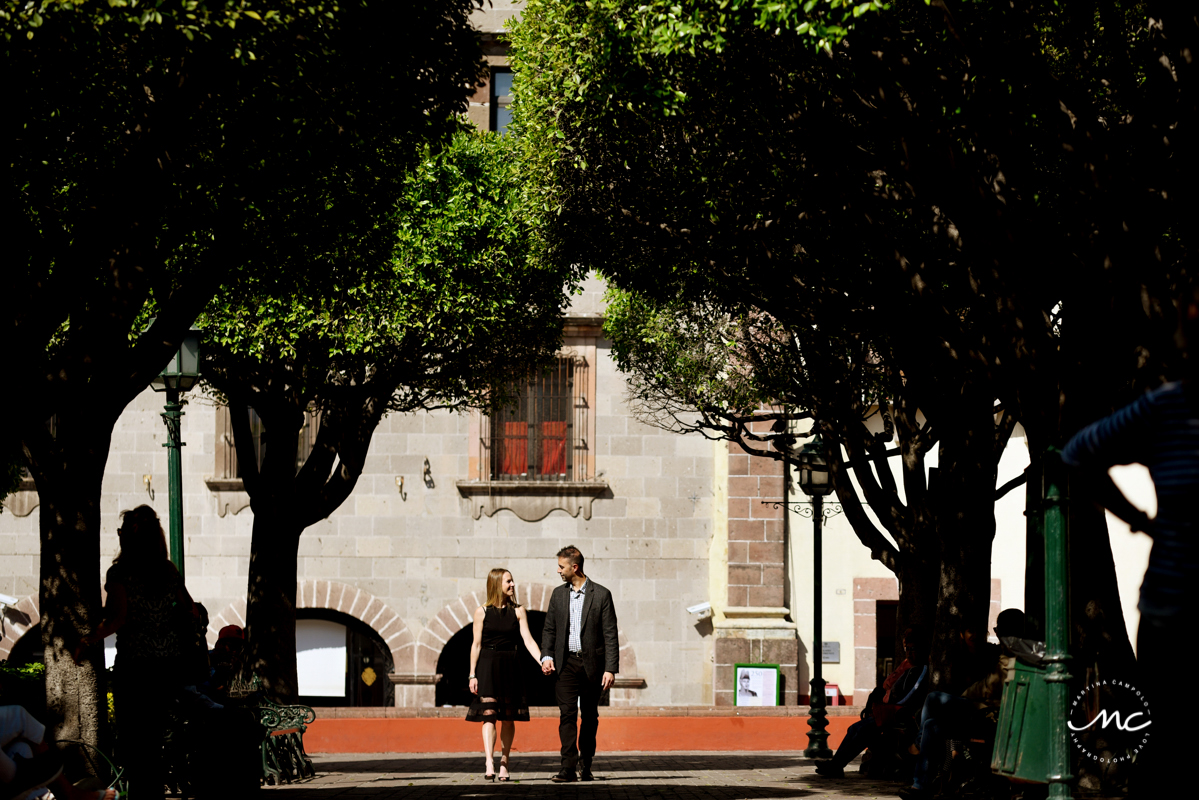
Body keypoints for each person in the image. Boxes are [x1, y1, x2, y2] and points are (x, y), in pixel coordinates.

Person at [1061, 291, 1199, 796]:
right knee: (1166, 751)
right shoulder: (1166, 409)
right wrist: (1139, 518)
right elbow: (1078, 454)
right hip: (1172, 610)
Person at [73, 505, 196, 800]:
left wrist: (88, 639)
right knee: (152, 741)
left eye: (120, 532)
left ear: (128, 536)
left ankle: (142, 796)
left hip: (135, 668)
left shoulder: (120, 574)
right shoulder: (168, 571)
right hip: (167, 668)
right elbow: (190, 610)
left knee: (133, 743)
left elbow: (117, 619)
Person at [899, 609, 1025, 800]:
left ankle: (917, 746)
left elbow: (989, 687)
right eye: (969, 631)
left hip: (990, 715)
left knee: (933, 699)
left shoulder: (1007, 655)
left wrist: (968, 697)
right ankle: (920, 785)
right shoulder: (964, 658)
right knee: (931, 724)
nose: (974, 636)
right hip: (979, 712)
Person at [539, 545, 619, 783]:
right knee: (567, 715)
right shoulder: (558, 594)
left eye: (561, 566)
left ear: (575, 567)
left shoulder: (601, 595)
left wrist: (610, 668)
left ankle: (586, 765)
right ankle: (567, 768)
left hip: (592, 666)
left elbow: (610, 634)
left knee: (590, 716)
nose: (558, 571)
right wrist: (547, 655)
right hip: (566, 665)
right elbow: (549, 629)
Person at [815, 626, 931, 779]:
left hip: (899, 716)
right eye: (907, 649)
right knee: (854, 728)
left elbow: (908, 697)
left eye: (913, 649)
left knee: (862, 730)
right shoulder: (908, 667)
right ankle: (836, 764)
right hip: (888, 713)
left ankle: (836, 765)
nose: (909, 652)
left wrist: (887, 705)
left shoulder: (921, 670)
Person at [464, 569, 543, 781]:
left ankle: (504, 762)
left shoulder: (518, 611)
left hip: (511, 665)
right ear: (497, 584)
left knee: (508, 718)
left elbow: (528, 640)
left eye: (512, 581)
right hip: (487, 665)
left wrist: (542, 660)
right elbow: (476, 644)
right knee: (488, 715)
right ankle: (489, 761)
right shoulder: (481, 612)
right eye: (508, 581)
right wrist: (472, 674)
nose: (513, 585)